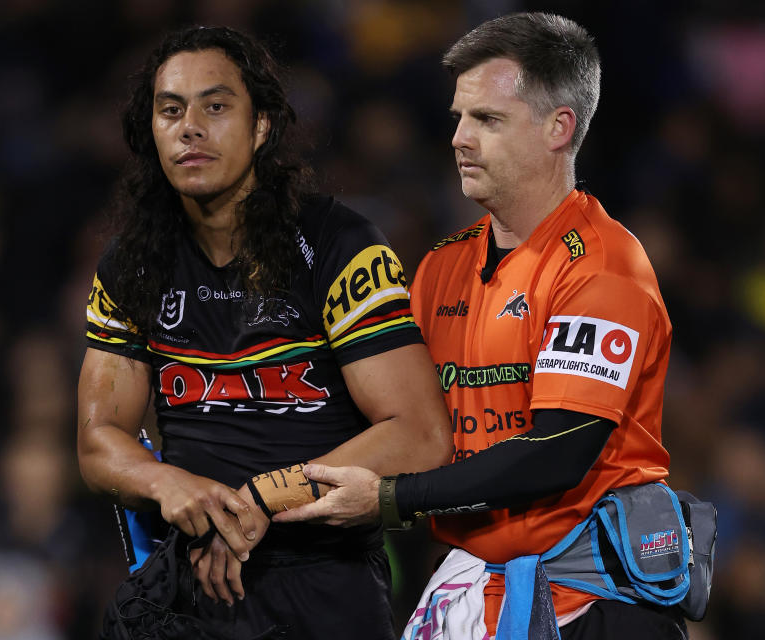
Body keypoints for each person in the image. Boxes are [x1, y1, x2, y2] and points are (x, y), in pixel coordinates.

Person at [275, 12, 689, 639]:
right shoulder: (442, 267)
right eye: (458, 118)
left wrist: (388, 498)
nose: (459, 139)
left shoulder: (602, 267)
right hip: (475, 594)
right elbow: (390, 421)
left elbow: (556, 453)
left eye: (487, 120)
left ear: (559, 128)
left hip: (595, 608)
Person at [76, 26, 453, 640]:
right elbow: (100, 442)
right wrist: (166, 482)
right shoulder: (131, 264)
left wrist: (258, 503)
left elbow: (419, 433)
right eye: (170, 110)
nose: (189, 126)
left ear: (261, 127)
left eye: (215, 106)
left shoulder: (340, 247)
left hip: (325, 583)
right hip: (196, 584)